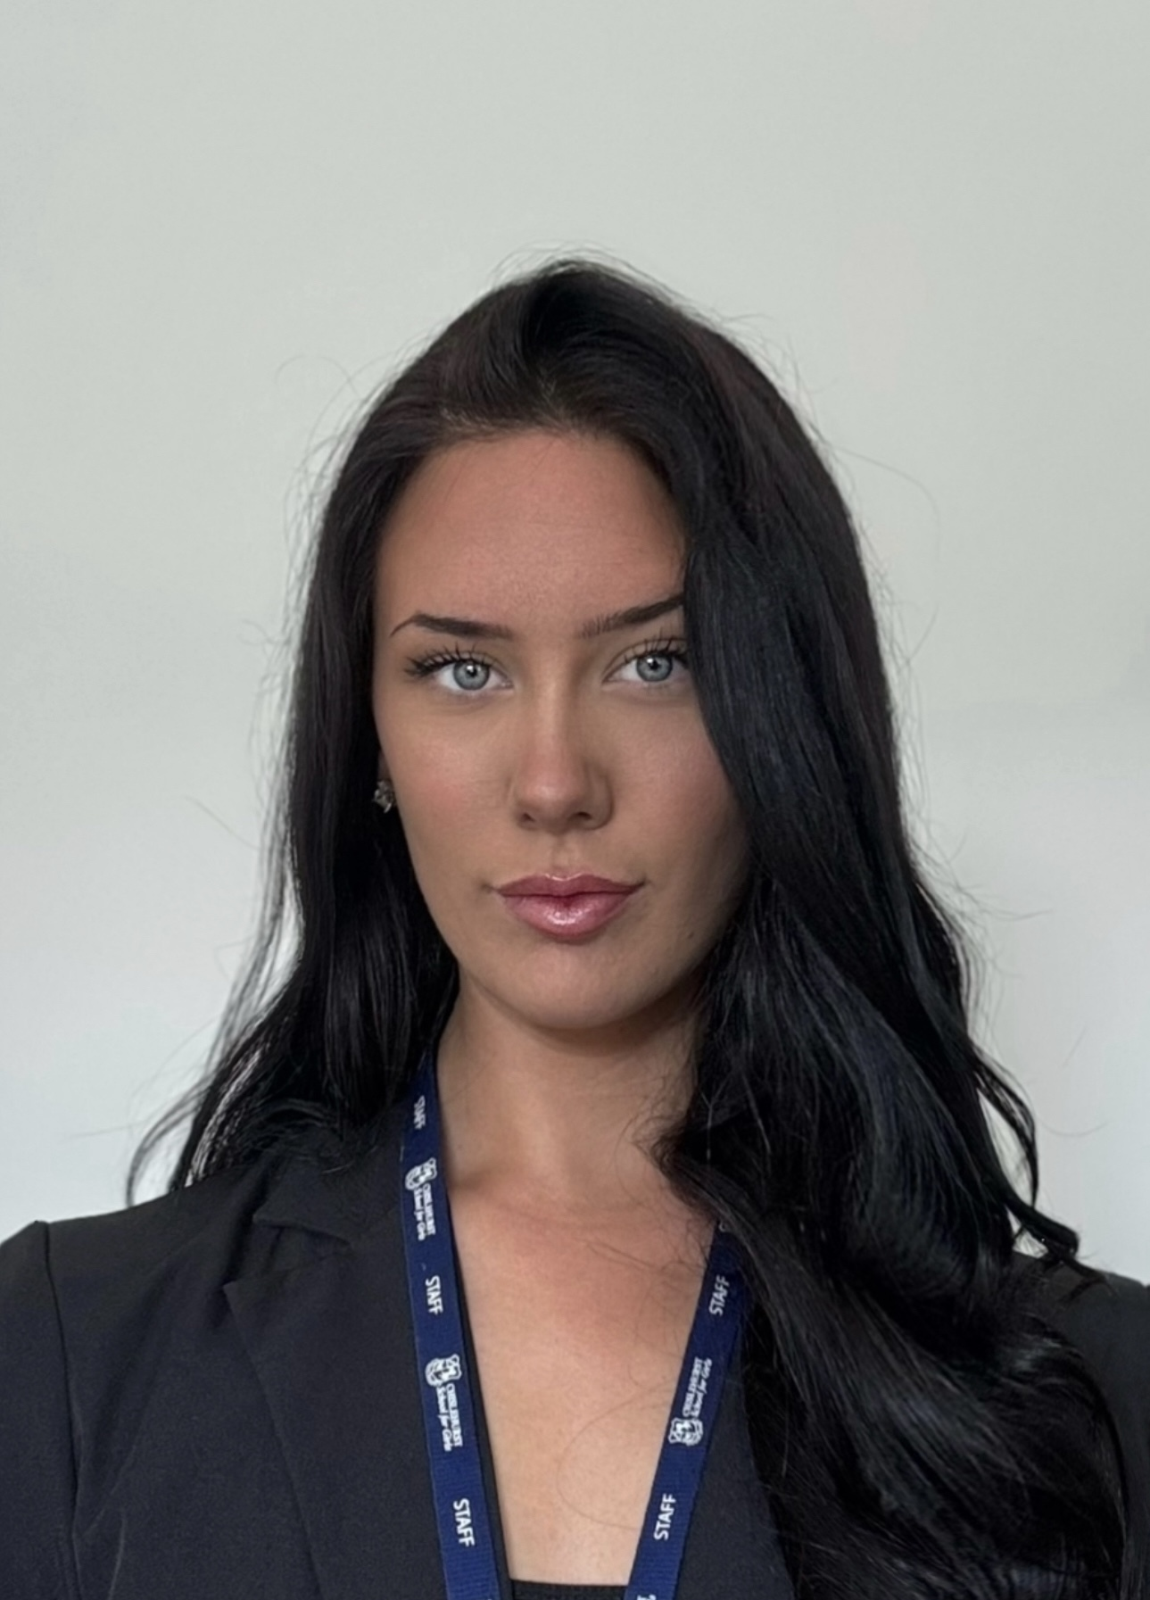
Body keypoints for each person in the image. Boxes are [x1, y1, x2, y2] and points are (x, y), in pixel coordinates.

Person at [0, 259, 1146, 1600]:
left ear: (781, 721)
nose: (554, 783)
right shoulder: (64, 1360)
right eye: (461, 670)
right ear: (370, 742)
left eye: (657, 663)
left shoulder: (1101, 1407)